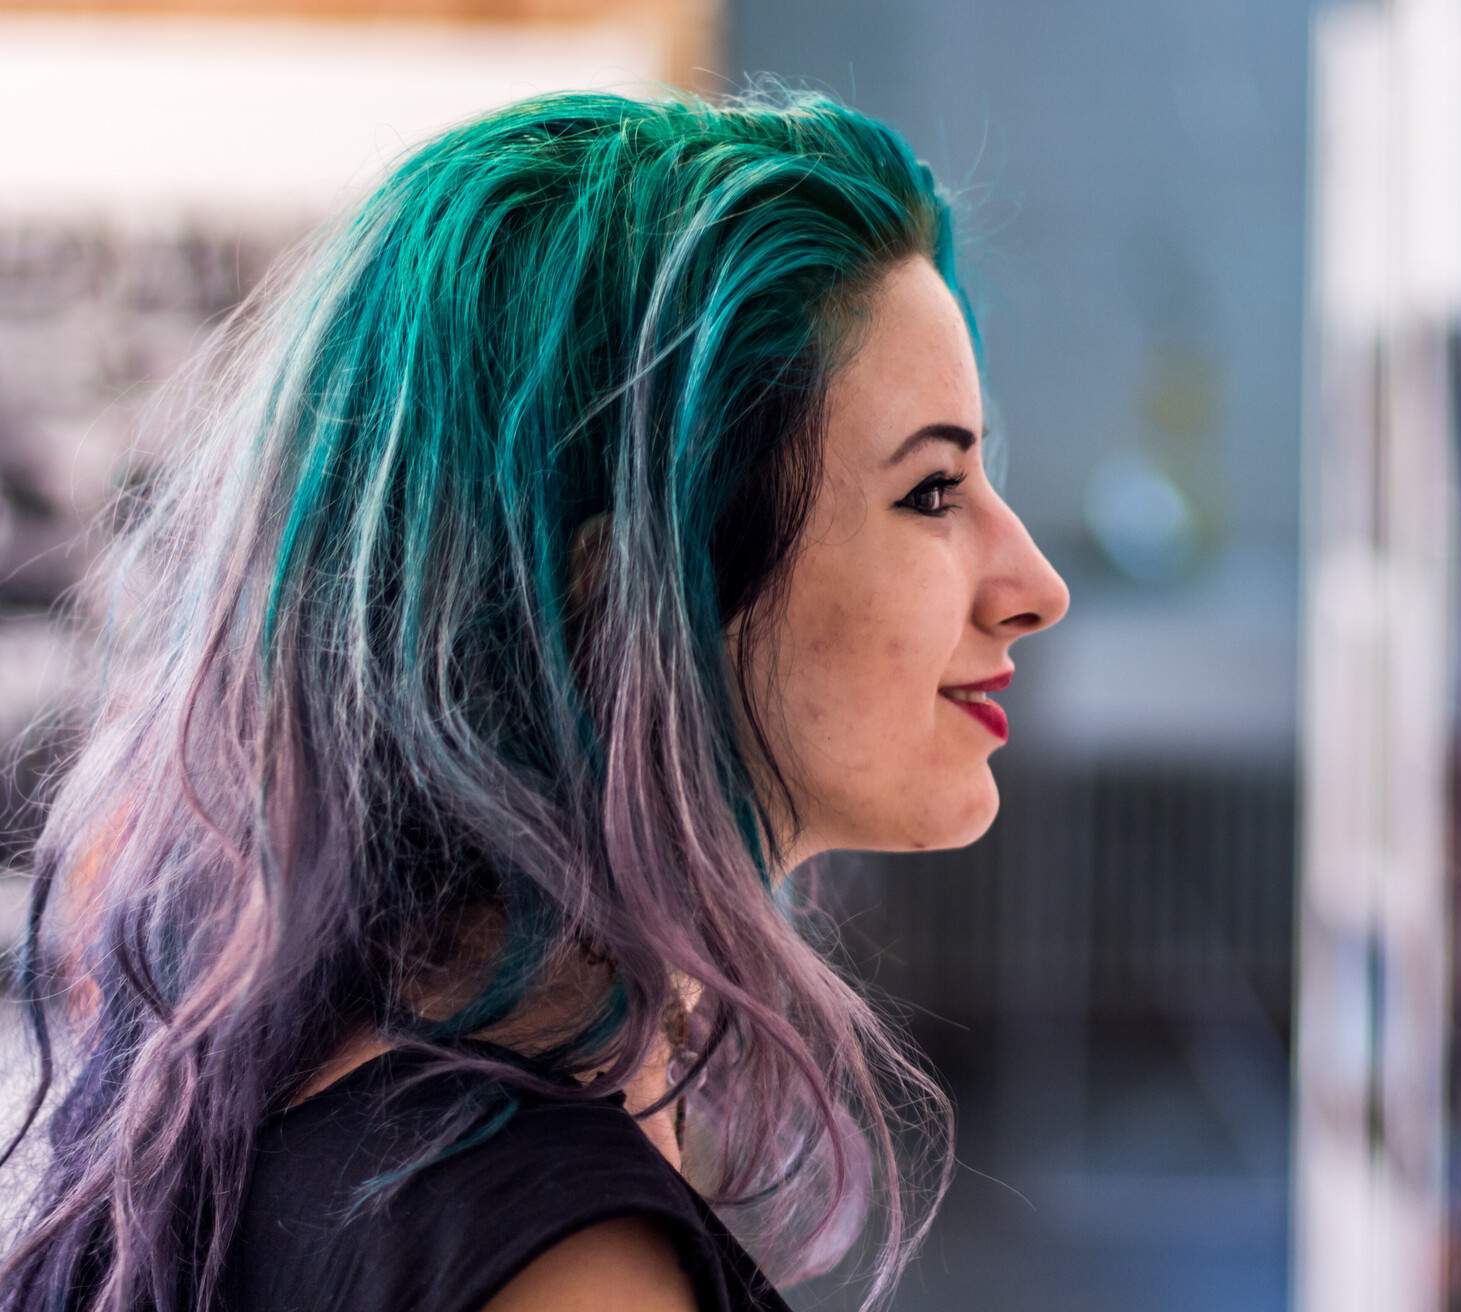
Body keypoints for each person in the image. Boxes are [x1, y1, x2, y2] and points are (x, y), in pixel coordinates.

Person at [0, 82, 1069, 1312]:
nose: (1032, 585)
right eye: (932, 492)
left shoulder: (313, 1085)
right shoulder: (563, 1263)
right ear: (624, 597)